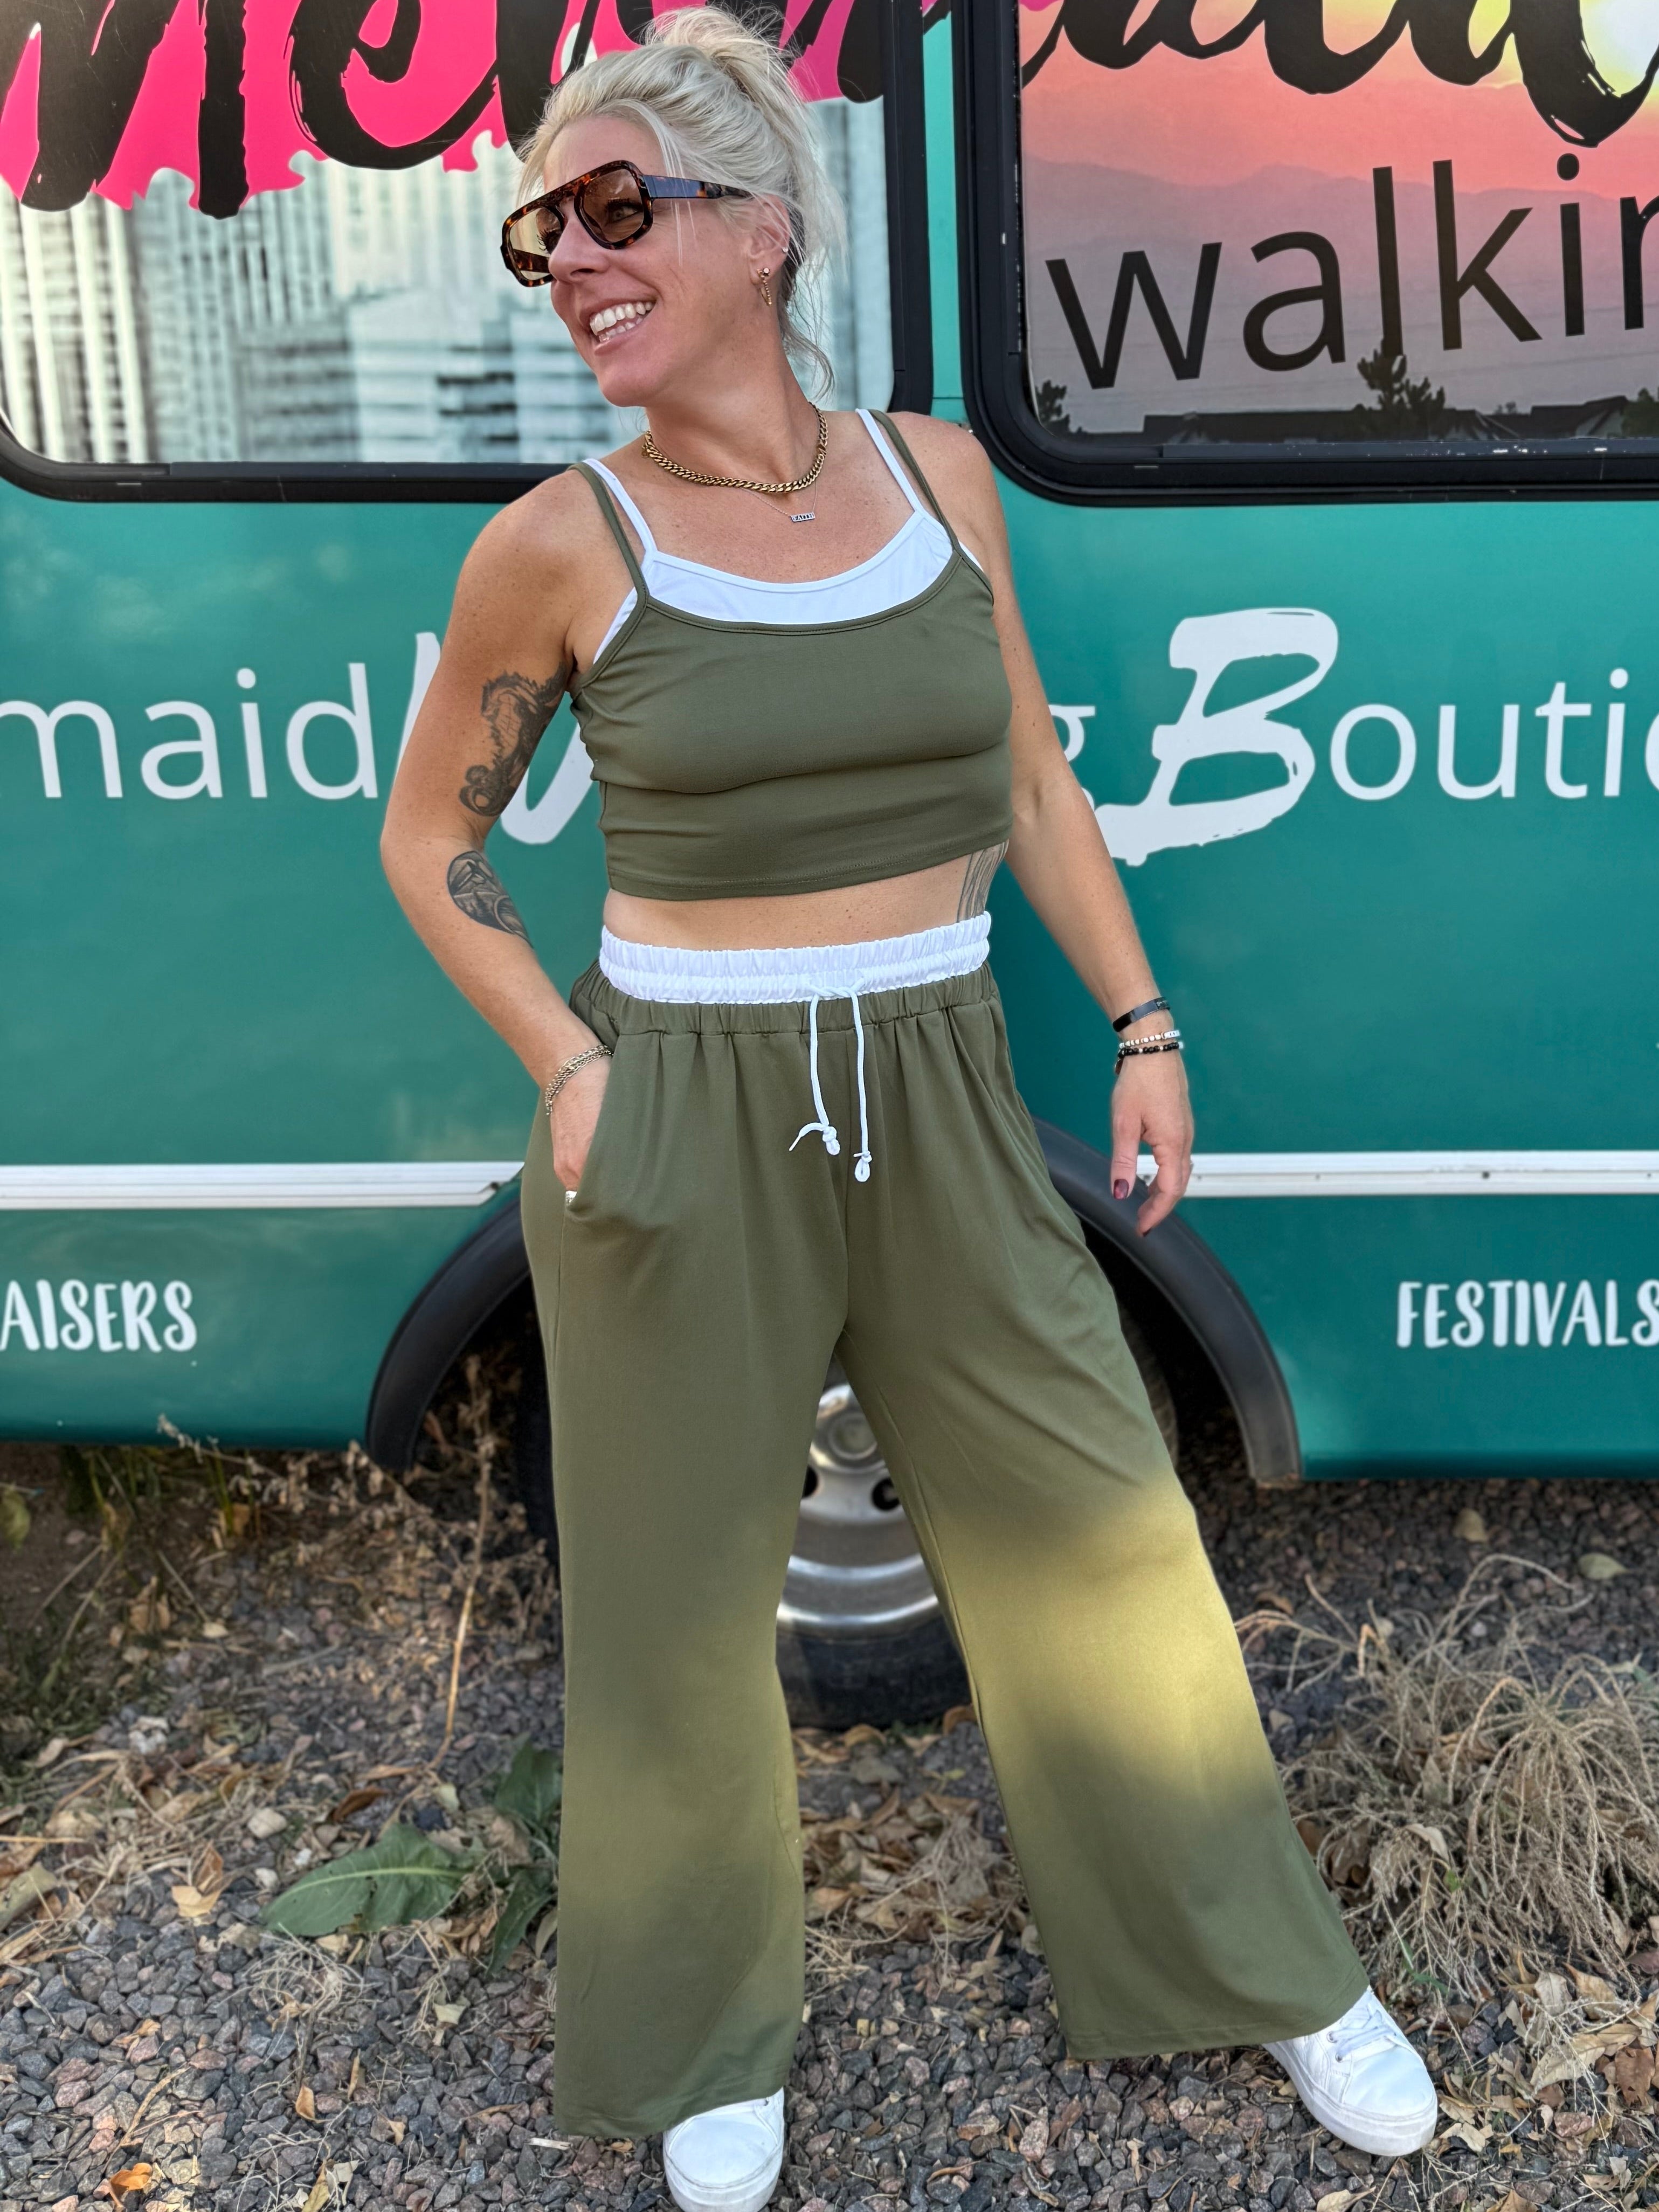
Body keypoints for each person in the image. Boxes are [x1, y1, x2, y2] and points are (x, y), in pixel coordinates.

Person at [379, 12, 1437, 2208]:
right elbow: (430, 846)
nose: (566, 262)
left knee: (1107, 1553)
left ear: (759, 229)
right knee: (673, 1609)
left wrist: (1139, 1025)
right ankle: (697, 2041)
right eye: (533, 235)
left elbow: (1030, 776)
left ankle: (1257, 1967)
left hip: (943, 1078)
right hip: (673, 1102)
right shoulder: (556, 544)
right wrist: (570, 1066)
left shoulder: (942, 475)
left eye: (608, 209)